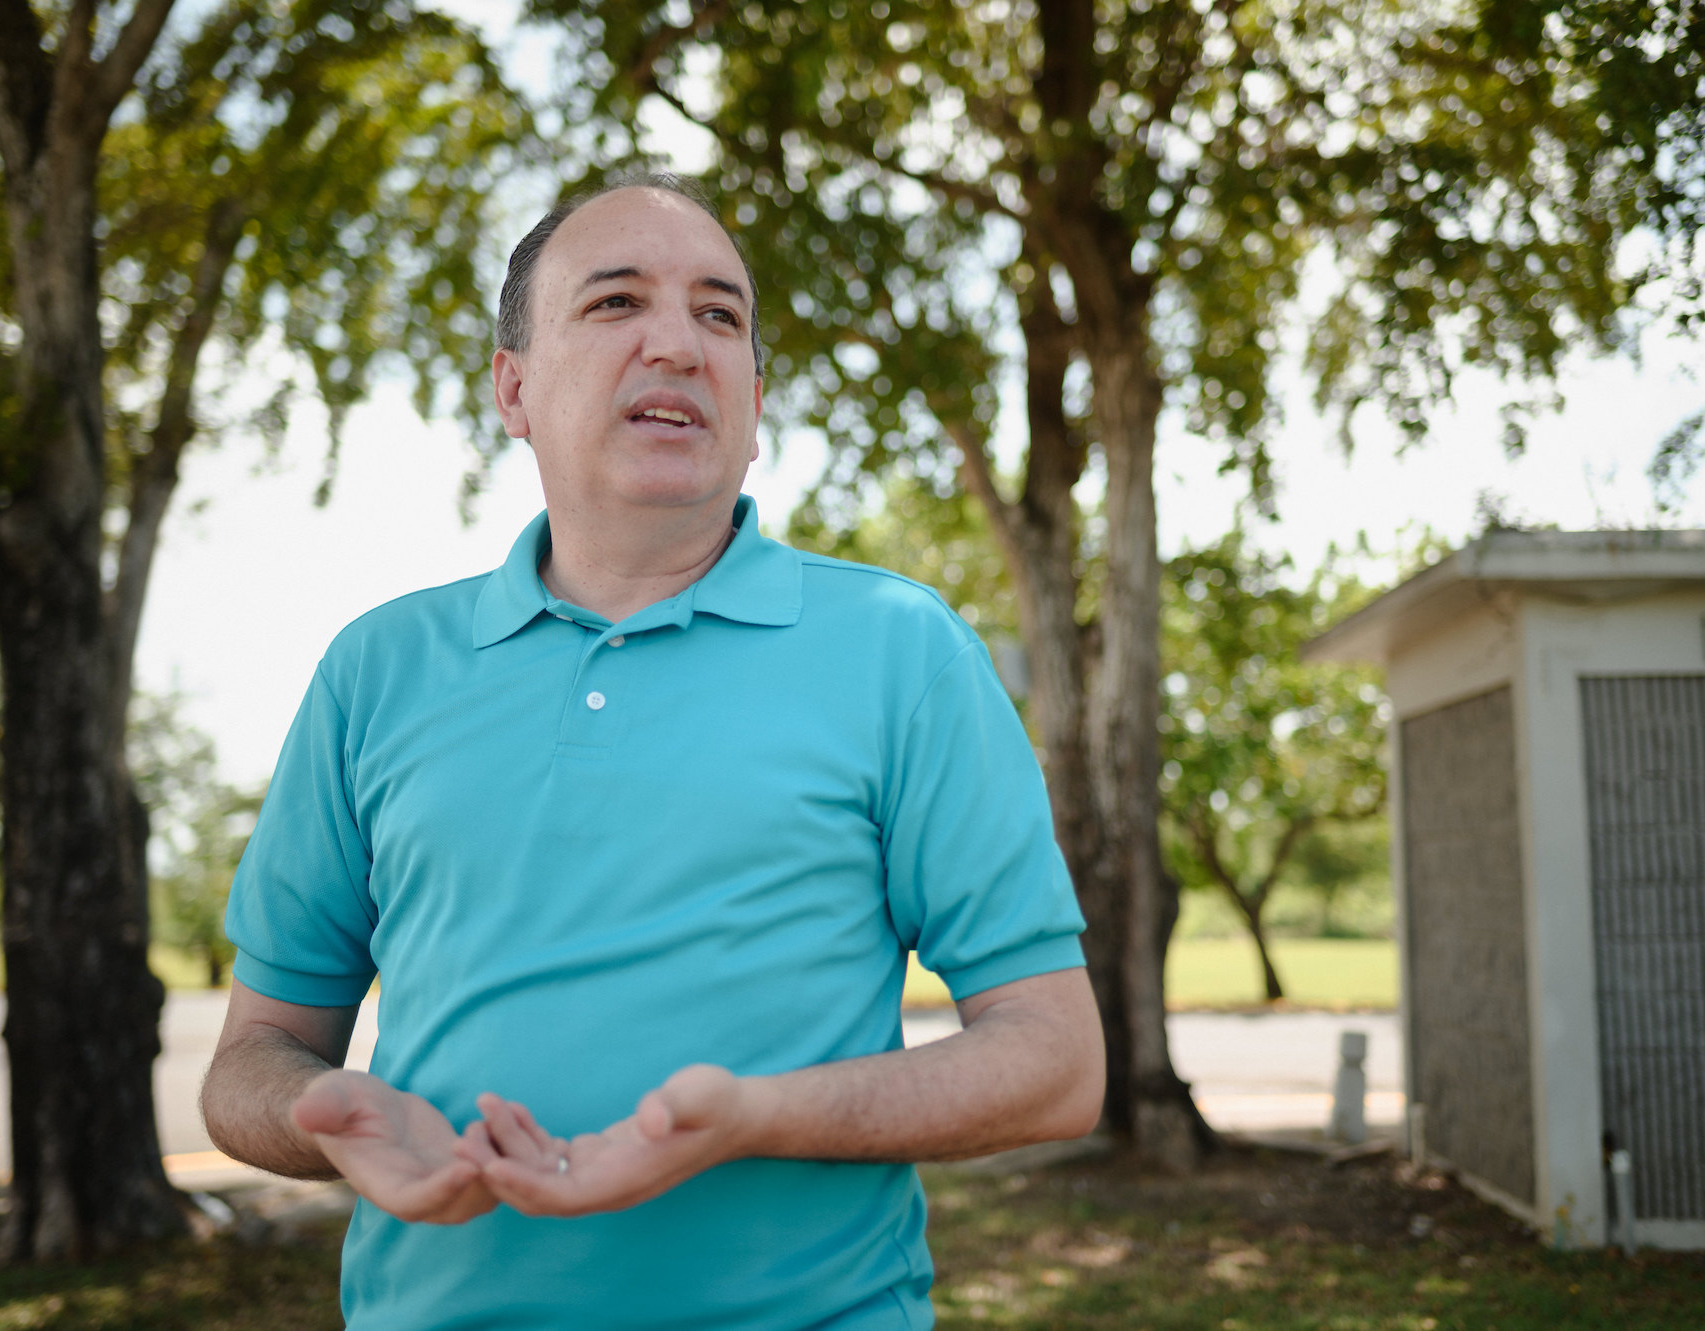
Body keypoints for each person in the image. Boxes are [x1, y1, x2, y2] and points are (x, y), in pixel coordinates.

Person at [199, 175, 1105, 1330]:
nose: (677, 341)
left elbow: (1054, 1060)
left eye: (719, 315)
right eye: (616, 301)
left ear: (755, 401)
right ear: (512, 385)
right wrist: (326, 1113)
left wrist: (757, 1115)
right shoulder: (375, 669)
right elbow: (251, 1059)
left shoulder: (901, 650)